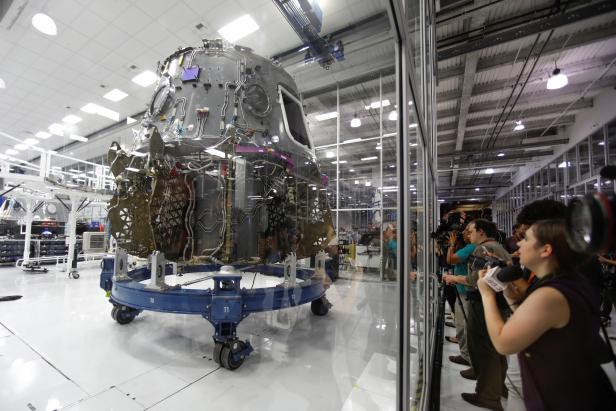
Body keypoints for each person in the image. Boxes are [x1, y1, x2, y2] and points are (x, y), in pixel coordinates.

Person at [477, 219, 616, 411]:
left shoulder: (550, 295)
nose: (518, 244)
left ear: (546, 250)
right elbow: (534, 319)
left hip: (565, 397)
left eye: (526, 239)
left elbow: (503, 342)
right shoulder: (566, 281)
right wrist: (510, 294)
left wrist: (486, 293)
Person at [462, 219, 511, 411]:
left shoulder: (483, 249)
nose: (468, 234)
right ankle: (497, 386)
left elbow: (476, 278)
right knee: (493, 348)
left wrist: (456, 278)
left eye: (471, 230)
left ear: (481, 232)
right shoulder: (497, 246)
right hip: (497, 303)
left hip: (485, 304)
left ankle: (488, 395)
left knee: (483, 346)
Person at [443, 227, 476, 368]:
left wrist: (451, 245)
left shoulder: (471, 248)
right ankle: (467, 355)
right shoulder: (470, 247)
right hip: (463, 289)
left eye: (469, 231)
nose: (466, 234)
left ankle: (467, 356)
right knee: (462, 323)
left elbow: (450, 259)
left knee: (464, 324)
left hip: (465, 290)